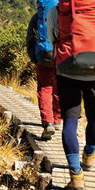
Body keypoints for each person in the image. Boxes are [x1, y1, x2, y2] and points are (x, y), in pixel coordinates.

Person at [47, 0, 95, 190]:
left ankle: (76, 179)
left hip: (68, 70)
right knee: (94, 115)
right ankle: (89, 157)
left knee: (70, 121)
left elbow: (53, 39)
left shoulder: (56, 11)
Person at [27, 12, 62, 140]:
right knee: (59, 87)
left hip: (43, 56)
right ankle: (57, 119)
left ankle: (48, 122)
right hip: (61, 55)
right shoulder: (64, 12)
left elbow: (30, 38)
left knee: (44, 88)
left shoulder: (38, 16)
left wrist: (34, 58)